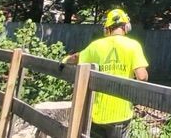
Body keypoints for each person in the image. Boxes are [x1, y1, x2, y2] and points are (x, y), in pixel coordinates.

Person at [64, 9, 149, 138]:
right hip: (121, 113)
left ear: (107, 28)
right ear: (127, 26)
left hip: (97, 113)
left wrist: (64, 60)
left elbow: (77, 58)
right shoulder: (133, 46)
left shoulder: (96, 46)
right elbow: (142, 76)